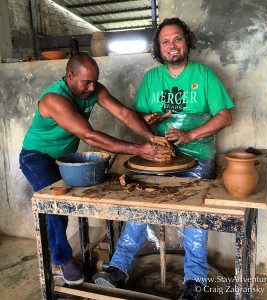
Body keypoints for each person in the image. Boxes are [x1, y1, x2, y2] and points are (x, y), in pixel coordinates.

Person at [94, 18, 235, 300]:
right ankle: (118, 269)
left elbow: (225, 116)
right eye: (166, 41)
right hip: (158, 160)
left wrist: (190, 135)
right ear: (159, 48)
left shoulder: (204, 75)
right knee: (140, 207)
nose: (173, 45)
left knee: (194, 216)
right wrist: (148, 120)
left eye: (178, 39)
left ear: (187, 42)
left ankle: (195, 281)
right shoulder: (152, 79)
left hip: (197, 159)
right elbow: (138, 120)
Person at [19, 52, 173, 286]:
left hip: (65, 157)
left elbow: (123, 113)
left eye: (94, 81)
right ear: (70, 76)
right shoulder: (54, 99)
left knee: (97, 189)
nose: (92, 87)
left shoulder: (94, 89)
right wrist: (139, 149)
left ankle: (102, 253)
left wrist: (151, 138)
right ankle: (62, 259)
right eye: (86, 82)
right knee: (54, 203)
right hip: (36, 157)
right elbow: (88, 135)